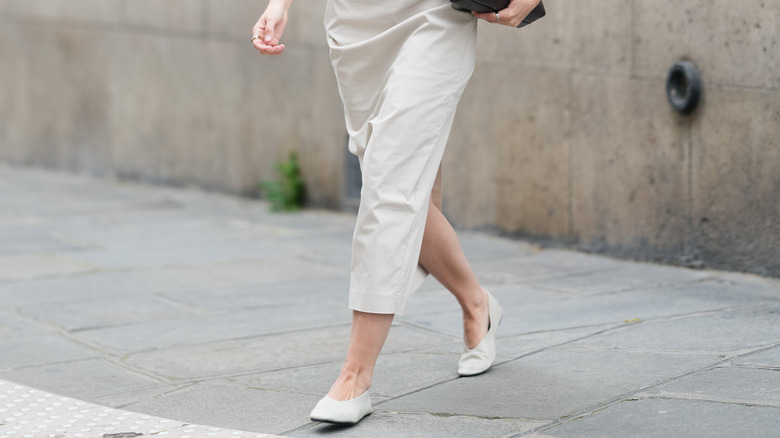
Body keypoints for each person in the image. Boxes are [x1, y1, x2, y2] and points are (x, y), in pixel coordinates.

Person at [253, 0, 541, 425]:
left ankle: (354, 377)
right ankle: (476, 301)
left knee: (391, 187)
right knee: (403, 190)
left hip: (436, 13)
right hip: (355, 26)